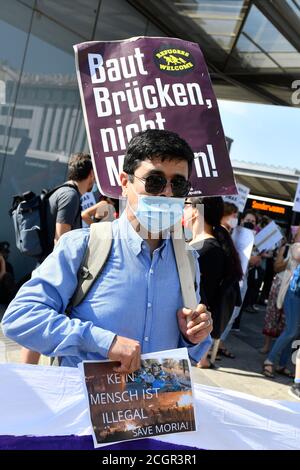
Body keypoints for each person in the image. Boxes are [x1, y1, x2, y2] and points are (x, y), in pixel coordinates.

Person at [2, 129, 212, 372]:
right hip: (85, 407)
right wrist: (103, 341)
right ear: (125, 182)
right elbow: (20, 317)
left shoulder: (188, 261)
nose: (167, 192)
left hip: (155, 407)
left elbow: (190, 355)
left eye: (178, 184)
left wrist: (194, 336)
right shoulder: (82, 247)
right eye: (154, 181)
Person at [20, 152, 95, 365]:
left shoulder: (60, 192)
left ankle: (30, 370)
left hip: (46, 263)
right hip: (56, 269)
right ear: (90, 174)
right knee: (43, 321)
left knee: (42, 320)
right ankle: (29, 371)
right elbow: (61, 236)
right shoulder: (70, 195)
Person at [184, 196, 243, 367]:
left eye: (186, 205)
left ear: (196, 211)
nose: (183, 209)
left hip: (188, 331)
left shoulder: (208, 250)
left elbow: (204, 298)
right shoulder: (195, 245)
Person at [263, 243, 300, 379]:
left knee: (295, 332)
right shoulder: (295, 246)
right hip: (294, 294)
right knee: (291, 330)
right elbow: (297, 254)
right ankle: (270, 361)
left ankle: (282, 364)